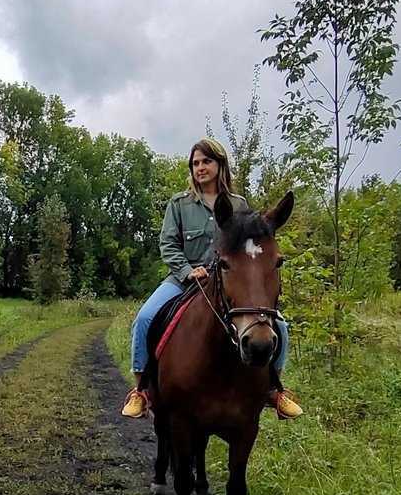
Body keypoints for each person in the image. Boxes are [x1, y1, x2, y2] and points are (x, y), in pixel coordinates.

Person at [120, 137, 302, 420]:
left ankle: (272, 388)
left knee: (280, 325)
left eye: (207, 161)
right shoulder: (179, 204)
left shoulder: (239, 205)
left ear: (220, 164)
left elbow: (250, 247)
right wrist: (186, 270)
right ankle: (141, 390)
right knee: (144, 318)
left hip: (229, 281)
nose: (200, 168)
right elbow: (168, 244)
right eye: (195, 163)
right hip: (184, 279)